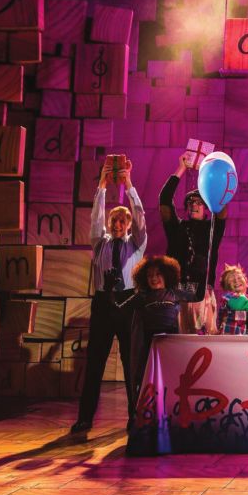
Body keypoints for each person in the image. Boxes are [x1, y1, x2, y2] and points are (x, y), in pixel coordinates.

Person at [72, 159, 147, 434]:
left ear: (128, 225)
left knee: (131, 363)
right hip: (103, 302)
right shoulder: (100, 243)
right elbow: (95, 218)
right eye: (113, 220)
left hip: (128, 303)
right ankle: (85, 418)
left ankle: (135, 416)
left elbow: (140, 217)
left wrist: (128, 184)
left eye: (122, 220)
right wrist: (102, 185)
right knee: (95, 362)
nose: (117, 224)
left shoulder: (136, 244)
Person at [159, 153, 227, 331]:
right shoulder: (176, 227)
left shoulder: (213, 229)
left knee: (205, 340)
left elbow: (222, 207)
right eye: (190, 202)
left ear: (206, 208)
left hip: (203, 293)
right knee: (178, 339)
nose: (193, 205)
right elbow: (164, 200)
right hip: (177, 292)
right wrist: (181, 169)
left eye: (198, 202)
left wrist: (214, 178)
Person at [128, 255, 187, 421]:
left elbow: (197, 298)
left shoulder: (176, 294)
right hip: (149, 347)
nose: (153, 278)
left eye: (158, 274)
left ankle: (171, 415)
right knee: (147, 381)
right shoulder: (142, 297)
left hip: (171, 347)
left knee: (171, 380)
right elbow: (120, 307)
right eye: (149, 275)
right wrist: (111, 293)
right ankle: (144, 417)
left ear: (167, 275)